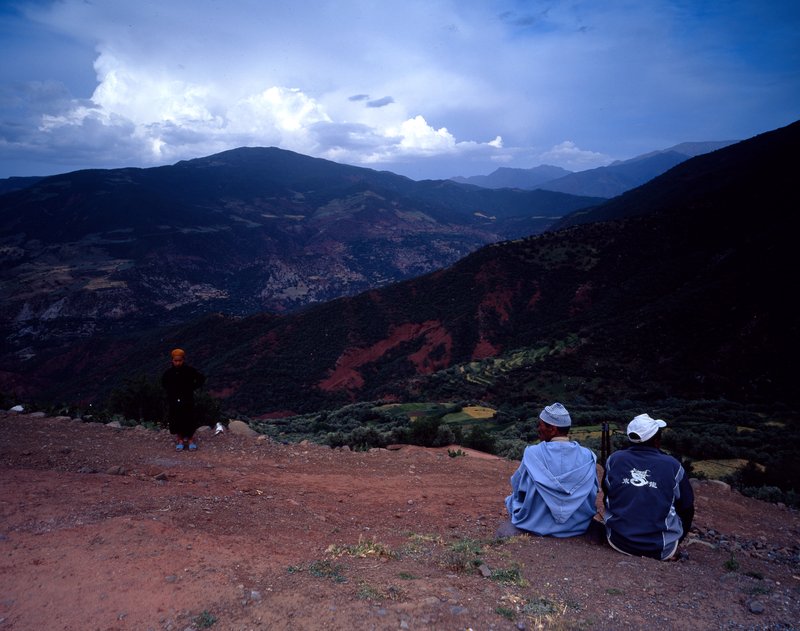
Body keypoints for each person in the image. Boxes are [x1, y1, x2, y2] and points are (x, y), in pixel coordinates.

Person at [602, 413, 695, 560]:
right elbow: (687, 507)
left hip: (618, 541)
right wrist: (680, 537)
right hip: (661, 548)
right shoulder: (673, 466)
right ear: (657, 441)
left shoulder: (614, 460)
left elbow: (608, 495)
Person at [499, 402, 599, 538]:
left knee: (511, 500)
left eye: (540, 425)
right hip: (578, 525)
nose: (538, 429)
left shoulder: (532, 453)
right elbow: (593, 493)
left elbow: (518, 488)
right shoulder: (588, 456)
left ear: (552, 429)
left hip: (533, 523)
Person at [161, 348, 206, 451]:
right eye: (175, 361)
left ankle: (190, 440)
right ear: (172, 360)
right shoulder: (169, 373)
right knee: (176, 419)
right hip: (174, 400)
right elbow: (164, 383)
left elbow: (201, 379)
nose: (178, 363)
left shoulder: (189, 371)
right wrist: (170, 392)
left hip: (187, 399)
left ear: (183, 360)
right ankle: (180, 440)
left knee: (189, 419)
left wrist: (192, 387)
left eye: (180, 360)